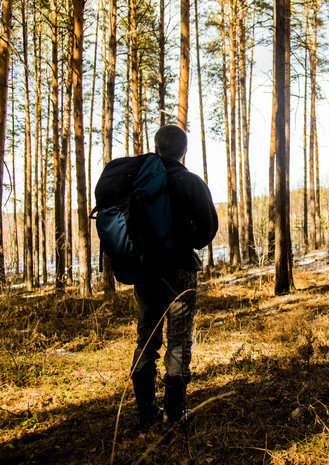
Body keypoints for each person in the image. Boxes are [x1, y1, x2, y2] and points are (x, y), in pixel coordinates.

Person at [131, 125, 218, 426]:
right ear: (184, 150)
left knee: (146, 338)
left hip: (145, 271)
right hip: (180, 270)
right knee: (179, 340)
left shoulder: (138, 182)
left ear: (156, 149)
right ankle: (175, 412)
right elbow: (207, 229)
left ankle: (146, 412)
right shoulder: (190, 181)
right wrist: (186, 239)